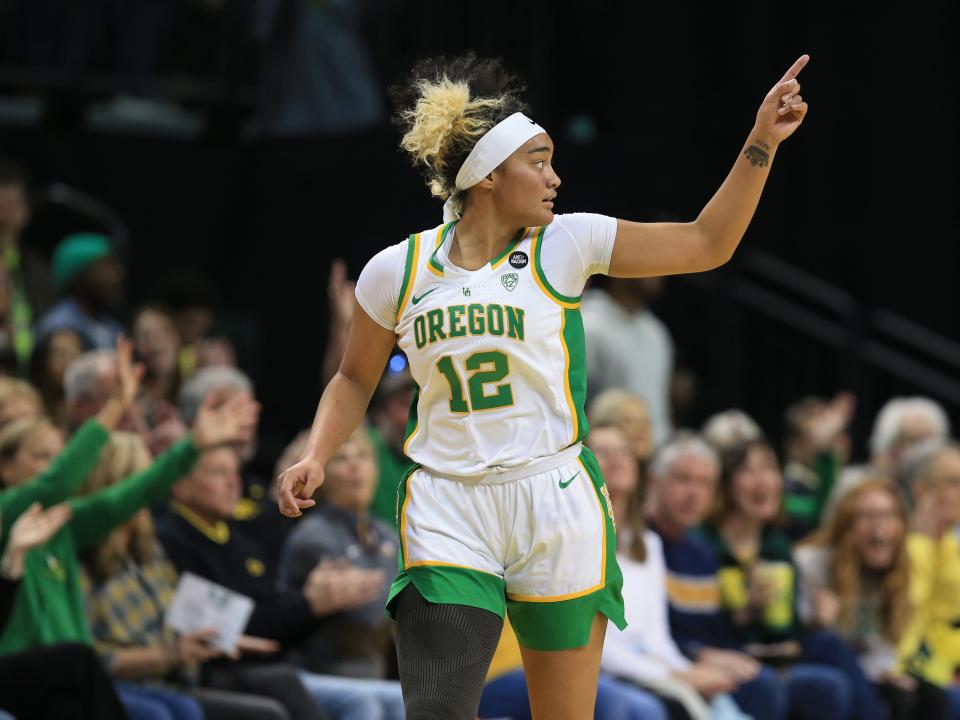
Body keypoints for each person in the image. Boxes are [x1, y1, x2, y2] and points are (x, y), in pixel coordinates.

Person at [277, 51, 811, 720]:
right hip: (450, 499)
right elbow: (353, 378)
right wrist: (316, 454)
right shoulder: (396, 270)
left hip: (554, 497)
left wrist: (761, 142)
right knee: (437, 712)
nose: (555, 177)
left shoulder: (567, 243)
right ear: (489, 177)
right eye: (539, 160)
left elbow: (707, 243)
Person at [795, 478, 947, 720]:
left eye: (888, 516)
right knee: (828, 643)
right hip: (825, 663)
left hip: (871, 672)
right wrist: (820, 621)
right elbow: (806, 641)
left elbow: (885, 647)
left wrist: (889, 672)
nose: (879, 529)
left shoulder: (897, 573)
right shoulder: (812, 564)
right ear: (846, 524)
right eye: (867, 517)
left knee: (933, 697)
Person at [34, 232, 126, 350]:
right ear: (78, 280)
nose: (116, 276)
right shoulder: (58, 328)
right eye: (105, 268)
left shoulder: (113, 329)